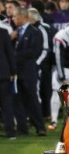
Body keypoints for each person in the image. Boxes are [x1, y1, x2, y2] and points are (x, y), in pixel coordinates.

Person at [12, 7, 46, 136]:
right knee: (18, 100)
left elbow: (34, 51)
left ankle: (40, 127)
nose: (13, 19)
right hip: (16, 72)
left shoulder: (35, 32)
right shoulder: (15, 33)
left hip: (29, 72)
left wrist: (15, 55)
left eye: (15, 16)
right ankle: (22, 129)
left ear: (23, 17)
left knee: (32, 99)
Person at [0, 19, 15, 139]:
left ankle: (10, 131)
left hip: (3, 74)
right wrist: (13, 71)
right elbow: (10, 53)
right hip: (4, 73)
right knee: (6, 104)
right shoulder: (4, 32)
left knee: (6, 103)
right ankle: (10, 132)